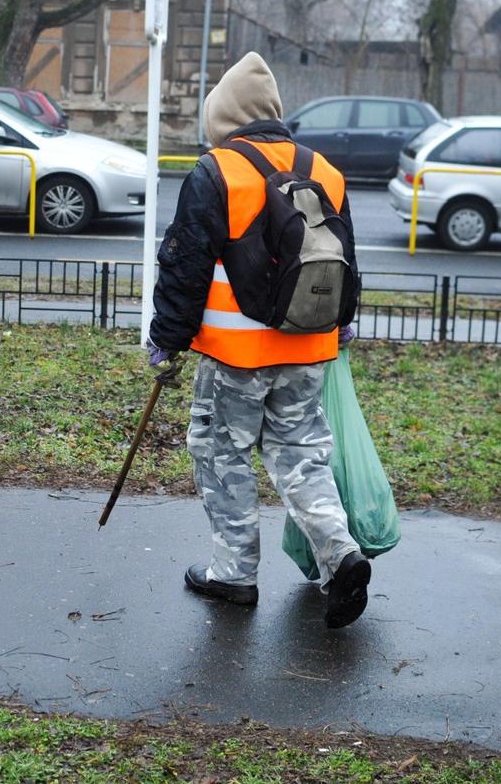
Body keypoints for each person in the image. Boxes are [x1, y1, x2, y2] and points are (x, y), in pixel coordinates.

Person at [146, 52, 372, 630]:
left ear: (223, 118)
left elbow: (185, 265)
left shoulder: (216, 171)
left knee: (222, 455)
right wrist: (343, 320)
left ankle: (234, 574)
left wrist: (166, 340)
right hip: (308, 348)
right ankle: (341, 554)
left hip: (234, 355)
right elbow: (345, 254)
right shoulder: (325, 168)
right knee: (301, 454)